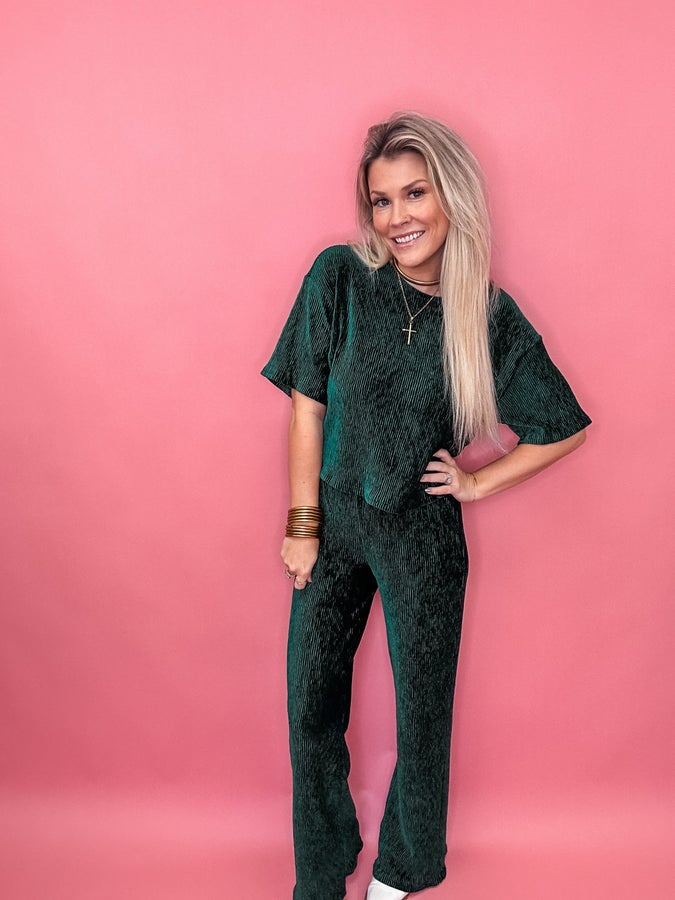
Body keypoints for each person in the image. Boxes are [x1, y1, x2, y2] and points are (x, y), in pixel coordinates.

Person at [260, 111, 591, 900]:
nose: (396, 216)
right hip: (336, 523)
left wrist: (475, 483)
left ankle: (402, 869)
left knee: (422, 714)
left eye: (414, 193)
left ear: (451, 198)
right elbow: (306, 404)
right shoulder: (339, 277)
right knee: (309, 706)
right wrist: (302, 525)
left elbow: (562, 427)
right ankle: (322, 867)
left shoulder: (486, 316)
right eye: (381, 200)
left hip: (421, 537)